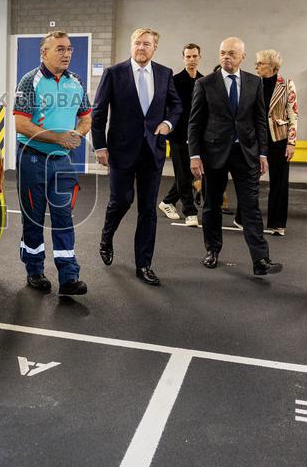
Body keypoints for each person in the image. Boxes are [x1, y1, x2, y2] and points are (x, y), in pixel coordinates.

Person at [92, 28, 181, 286]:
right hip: (120, 150)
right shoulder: (114, 73)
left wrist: (167, 123)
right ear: (131, 46)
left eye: (147, 44)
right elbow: (99, 113)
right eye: (137, 43)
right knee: (121, 201)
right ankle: (107, 237)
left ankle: (144, 265)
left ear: (155, 48)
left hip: (152, 151)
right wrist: (100, 147)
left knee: (148, 210)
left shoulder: (165, 74)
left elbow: (176, 106)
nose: (141, 47)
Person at [188, 37, 283, 276]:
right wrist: (195, 156)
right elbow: (195, 122)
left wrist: (262, 152)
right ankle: (212, 250)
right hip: (213, 154)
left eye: (231, 53)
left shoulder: (254, 83)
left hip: (246, 153)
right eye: (222, 53)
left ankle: (261, 259)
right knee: (211, 206)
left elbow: (260, 120)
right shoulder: (205, 83)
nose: (226, 57)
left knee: (250, 207)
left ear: (242, 56)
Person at [13, 31, 92, 296]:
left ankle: (69, 276)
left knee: (63, 218)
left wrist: (77, 135)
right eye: (60, 49)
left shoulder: (76, 82)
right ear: (44, 53)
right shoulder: (29, 81)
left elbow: (86, 116)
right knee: (33, 219)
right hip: (32, 158)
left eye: (69, 49)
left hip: (62, 161)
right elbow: (21, 123)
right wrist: (58, 137)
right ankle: (35, 271)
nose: (67, 53)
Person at [247, 50, 298, 236]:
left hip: (279, 139)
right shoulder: (253, 83)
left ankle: (277, 223)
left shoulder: (286, 84)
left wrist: (291, 142)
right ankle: (244, 218)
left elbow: (293, 114)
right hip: (256, 140)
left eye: (260, 63)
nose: (256, 66)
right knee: (249, 180)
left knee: (279, 182)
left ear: (272, 67)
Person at [158, 43, 203, 227]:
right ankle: (190, 211)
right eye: (188, 56)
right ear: (183, 58)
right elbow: (167, 107)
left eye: (194, 56)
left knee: (190, 174)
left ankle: (167, 202)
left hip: (196, 137)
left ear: (200, 57)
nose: (191, 60)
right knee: (183, 174)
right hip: (177, 136)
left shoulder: (203, 81)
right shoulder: (175, 81)